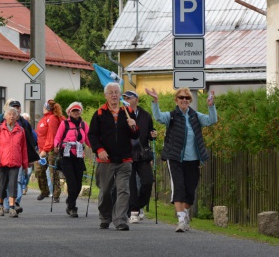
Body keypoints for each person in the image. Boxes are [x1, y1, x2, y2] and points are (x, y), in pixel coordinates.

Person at [145, 87, 217, 232]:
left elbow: (212, 120)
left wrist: (211, 107)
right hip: (175, 158)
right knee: (178, 187)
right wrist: (155, 101)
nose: (184, 100)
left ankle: (185, 214)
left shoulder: (195, 116)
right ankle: (181, 220)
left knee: (190, 190)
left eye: (187, 98)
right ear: (176, 100)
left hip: (193, 159)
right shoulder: (171, 116)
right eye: (181, 98)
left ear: (190, 101)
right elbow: (158, 117)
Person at [88, 83, 139, 231]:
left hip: (125, 159)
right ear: (106, 96)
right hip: (105, 160)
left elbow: (135, 135)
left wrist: (134, 126)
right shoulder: (99, 113)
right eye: (111, 93)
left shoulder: (128, 111)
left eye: (116, 92)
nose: (114, 95)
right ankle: (105, 217)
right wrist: (99, 149)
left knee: (123, 191)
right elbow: (92, 135)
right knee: (105, 191)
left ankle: (120, 220)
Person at [0, 99, 39, 213]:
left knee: (14, 185)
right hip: (2, 161)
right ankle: (0, 205)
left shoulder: (20, 130)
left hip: (16, 162)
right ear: (5, 116)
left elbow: (24, 148)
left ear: (17, 116)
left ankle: (12, 207)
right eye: (10, 114)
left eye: (14, 114)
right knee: (2, 185)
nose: (12, 116)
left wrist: (25, 164)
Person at [122, 91, 157, 224]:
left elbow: (150, 133)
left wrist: (153, 134)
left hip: (142, 154)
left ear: (136, 99)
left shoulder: (145, 115)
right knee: (131, 185)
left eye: (129, 98)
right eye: (124, 98)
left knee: (148, 181)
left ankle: (139, 205)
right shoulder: (121, 114)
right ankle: (133, 211)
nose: (126, 100)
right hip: (127, 154)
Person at [54, 102, 91, 218]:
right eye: (73, 111)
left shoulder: (84, 125)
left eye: (78, 110)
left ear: (80, 112)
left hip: (79, 155)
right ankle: (72, 207)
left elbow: (89, 139)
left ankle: (70, 202)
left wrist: (97, 148)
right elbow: (58, 137)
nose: (76, 112)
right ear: (69, 112)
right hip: (66, 155)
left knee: (78, 183)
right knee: (71, 182)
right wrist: (56, 145)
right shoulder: (64, 124)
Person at [35, 99, 64, 203]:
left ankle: (56, 195)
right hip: (42, 149)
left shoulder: (52, 119)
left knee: (53, 172)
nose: (42, 109)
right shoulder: (44, 118)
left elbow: (52, 136)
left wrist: (45, 150)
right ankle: (44, 191)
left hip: (50, 150)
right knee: (39, 171)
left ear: (47, 108)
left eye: (44, 107)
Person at [21, 112, 36, 195]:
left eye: (27, 120)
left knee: (29, 172)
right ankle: (22, 187)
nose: (25, 122)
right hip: (22, 153)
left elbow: (36, 140)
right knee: (22, 171)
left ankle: (25, 184)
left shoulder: (31, 130)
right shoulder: (19, 129)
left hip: (29, 154)